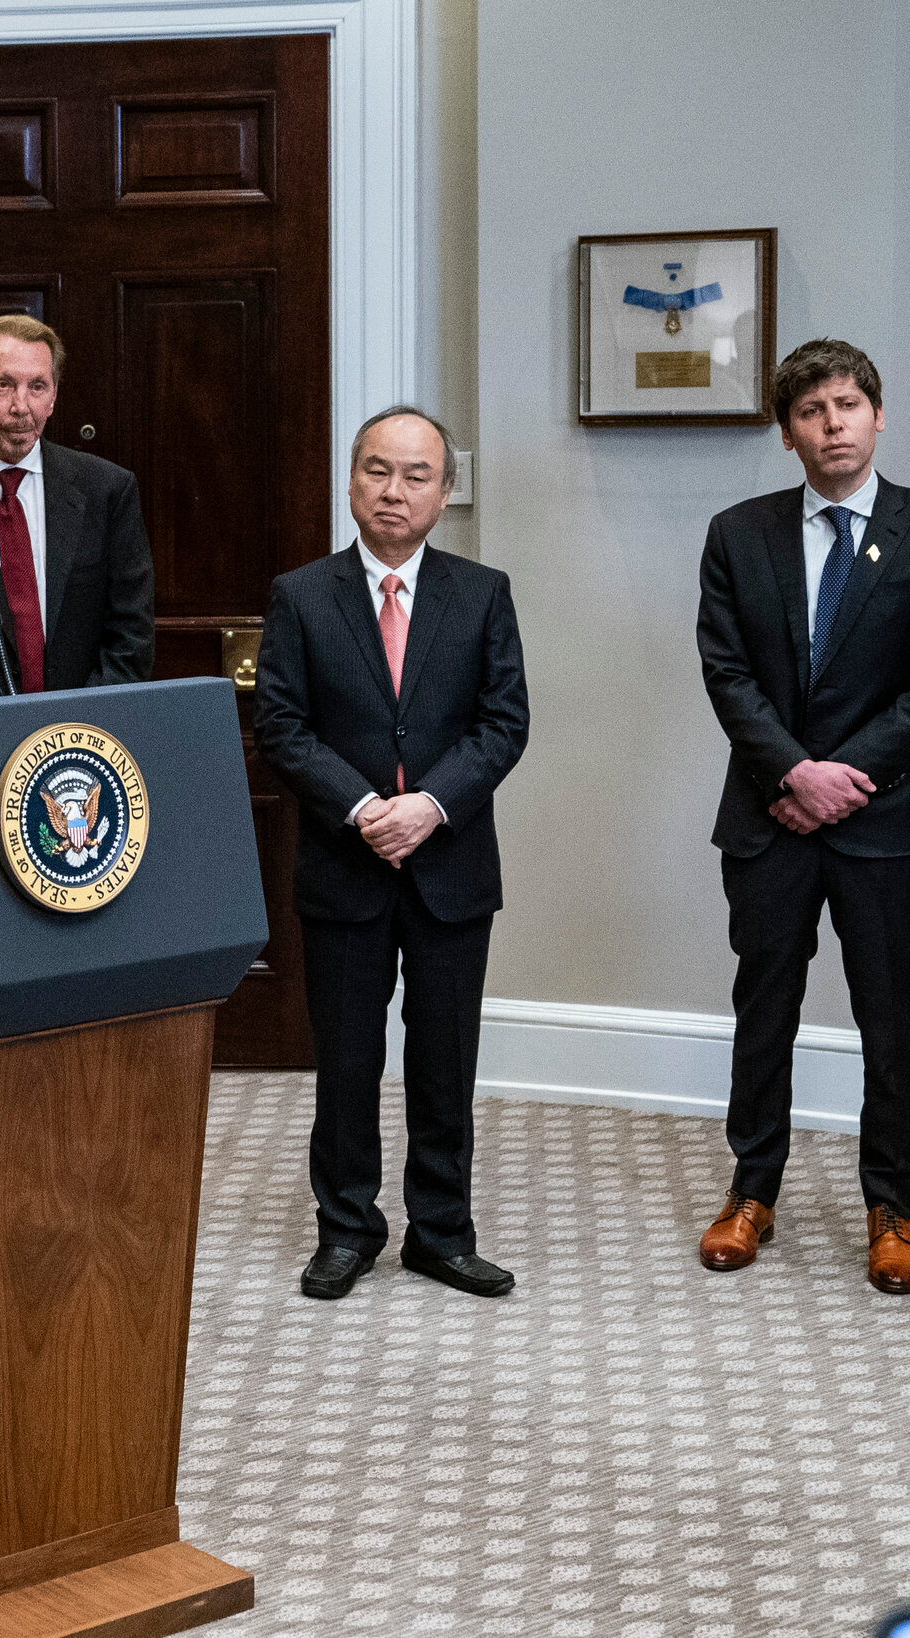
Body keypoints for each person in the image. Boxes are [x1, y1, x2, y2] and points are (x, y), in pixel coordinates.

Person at [693, 339, 910, 1295]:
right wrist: (791, 771)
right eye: (812, 410)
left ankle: (891, 1206)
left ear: (878, 415)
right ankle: (751, 1194)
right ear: (788, 433)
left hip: (884, 819)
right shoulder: (739, 533)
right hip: (767, 816)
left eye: (849, 404)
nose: (833, 424)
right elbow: (726, 673)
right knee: (762, 1005)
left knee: (887, 1012)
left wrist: (838, 777)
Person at [252, 405, 529, 1302]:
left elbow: (504, 723)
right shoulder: (302, 594)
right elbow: (281, 727)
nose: (394, 490)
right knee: (347, 1061)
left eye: (416, 475)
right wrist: (367, 807)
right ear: (350, 481)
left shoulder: (483, 592)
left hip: (450, 867)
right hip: (345, 864)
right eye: (377, 470)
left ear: (445, 493)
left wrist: (432, 806)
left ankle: (442, 1233)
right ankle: (348, 1228)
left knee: (445, 1060)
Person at [0, 315, 154, 694]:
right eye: (3, 385)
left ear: (53, 395)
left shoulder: (106, 489)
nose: (21, 406)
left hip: (81, 735)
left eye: (37, 386)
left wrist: (78, 726)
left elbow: (131, 635)